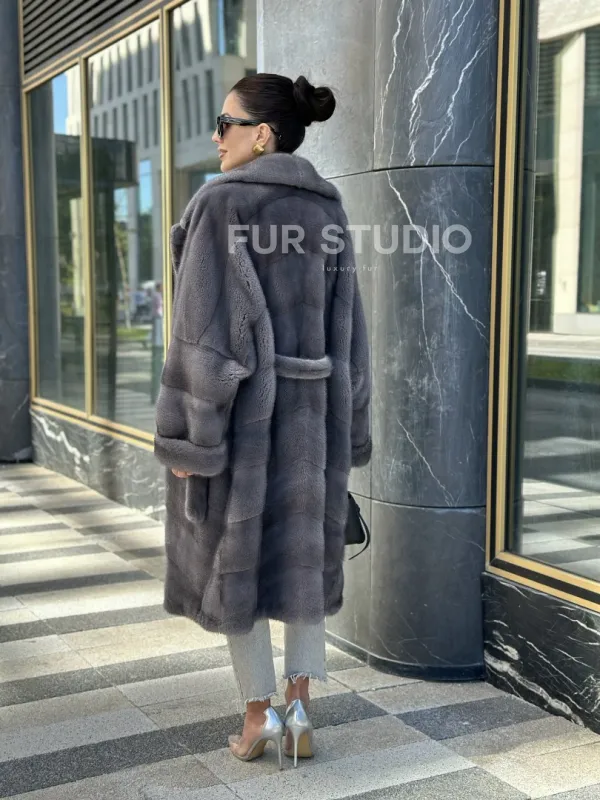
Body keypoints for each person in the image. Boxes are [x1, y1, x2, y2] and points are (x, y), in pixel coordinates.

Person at [153, 73, 372, 768]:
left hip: (246, 422)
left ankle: (258, 718)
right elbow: (351, 333)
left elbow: (206, 339)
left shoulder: (222, 205)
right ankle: (300, 710)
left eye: (226, 123)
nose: (216, 137)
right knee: (304, 561)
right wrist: (350, 424)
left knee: (235, 563)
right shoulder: (326, 208)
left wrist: (191, 438)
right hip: (314, 420)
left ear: (263, 134)